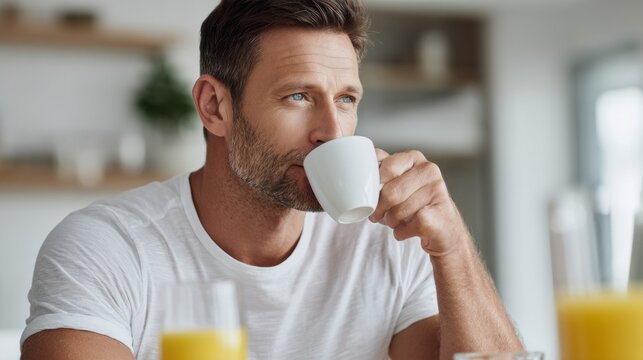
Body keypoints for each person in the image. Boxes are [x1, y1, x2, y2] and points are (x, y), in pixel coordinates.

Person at [20, 0, 524, 359]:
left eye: (346, 99)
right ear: (215, 107)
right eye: (298, 97)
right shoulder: (107, 248)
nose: (332, 131)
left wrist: (452, 247)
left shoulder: (389, 243)